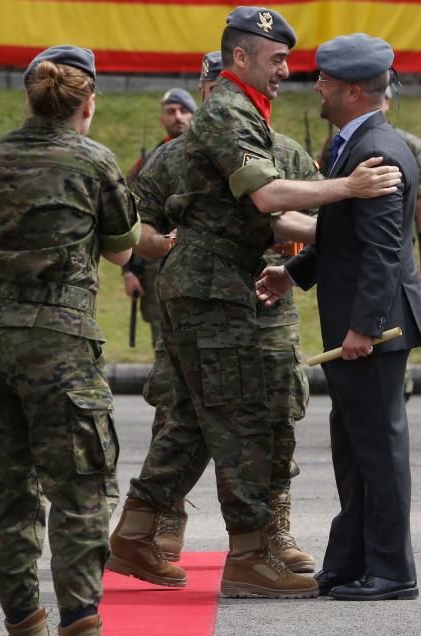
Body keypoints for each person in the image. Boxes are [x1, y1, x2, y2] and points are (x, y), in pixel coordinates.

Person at [107, 7, 402, 600]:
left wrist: (328, 231)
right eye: (276, 60)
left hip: (220, 285)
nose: (287, 72)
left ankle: (140, 530)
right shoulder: (226, 111)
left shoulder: (254, 119)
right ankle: (248, 555)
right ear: (238, 59)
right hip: (214, 292)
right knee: (241, 419)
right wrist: (349, 189)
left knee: (197, 415)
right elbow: (267, 196)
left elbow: (273, 213)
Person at [0, 45, 141, 636]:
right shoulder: (94, 160)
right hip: (59, 339)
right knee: (81, 487)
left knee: (8, 490)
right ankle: (79, 621)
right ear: (87, 103)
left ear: (29, 97)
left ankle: (25, 623)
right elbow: (122, 248)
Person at [130, 50, 321, 573]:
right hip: (203, 303)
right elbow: (136, 226)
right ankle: (165, 524)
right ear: (205, 91)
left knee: (277, 413)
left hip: (267, 305)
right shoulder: (171, 158)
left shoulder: (286, 154)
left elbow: (311, 223)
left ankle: (273, 528)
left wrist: (293, 258)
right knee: (181, 408)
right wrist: (175, 249)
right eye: (213, 89)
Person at [256, 33, 421, 600]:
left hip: (374, 328)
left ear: (354, 91)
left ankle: (392, 571)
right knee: (353, 448)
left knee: (378, 449)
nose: (317, 89)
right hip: (361, 322)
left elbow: (383, 251)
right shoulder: (352, 144)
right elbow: (344, 238)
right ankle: (351, 559)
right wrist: (295, 274)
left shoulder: (376, 150)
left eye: (325, 82)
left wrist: (364, 327)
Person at [123, 88, 197, 348]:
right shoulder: (147, 162)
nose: (178, 116)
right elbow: (130, 218)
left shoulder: (206, 155)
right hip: (157, 264)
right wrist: (129, 271)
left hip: (201, 261)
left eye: (183, 110)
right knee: (164, 344)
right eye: (170, 111)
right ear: (161, 120)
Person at [383, 85, 421, 400]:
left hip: (397, 255)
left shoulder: (409, 145)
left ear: (389, 103)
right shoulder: (337, 141)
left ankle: (398, 390)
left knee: (396, 329)